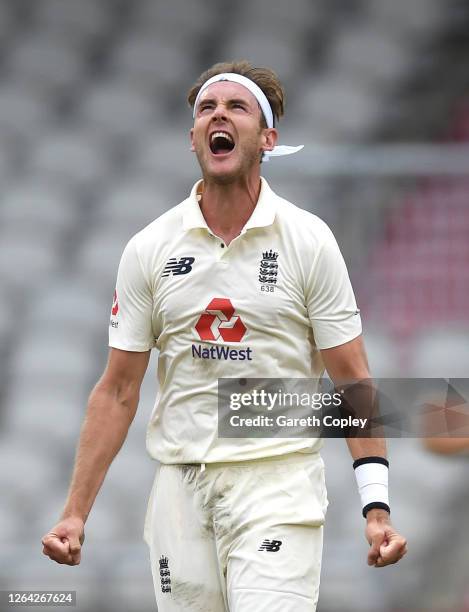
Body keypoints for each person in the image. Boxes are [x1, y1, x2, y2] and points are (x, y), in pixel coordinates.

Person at [42, 60, 407, 611]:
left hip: (277, 481)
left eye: (237, 107)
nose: (219, 116)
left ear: (267, 138)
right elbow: (118, 389)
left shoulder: (309, 241)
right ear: (193, 139)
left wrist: (375, 509)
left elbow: (353, 379)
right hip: (180, 492)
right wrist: (75, 512)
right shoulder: (150, 247)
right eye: (208, 110)